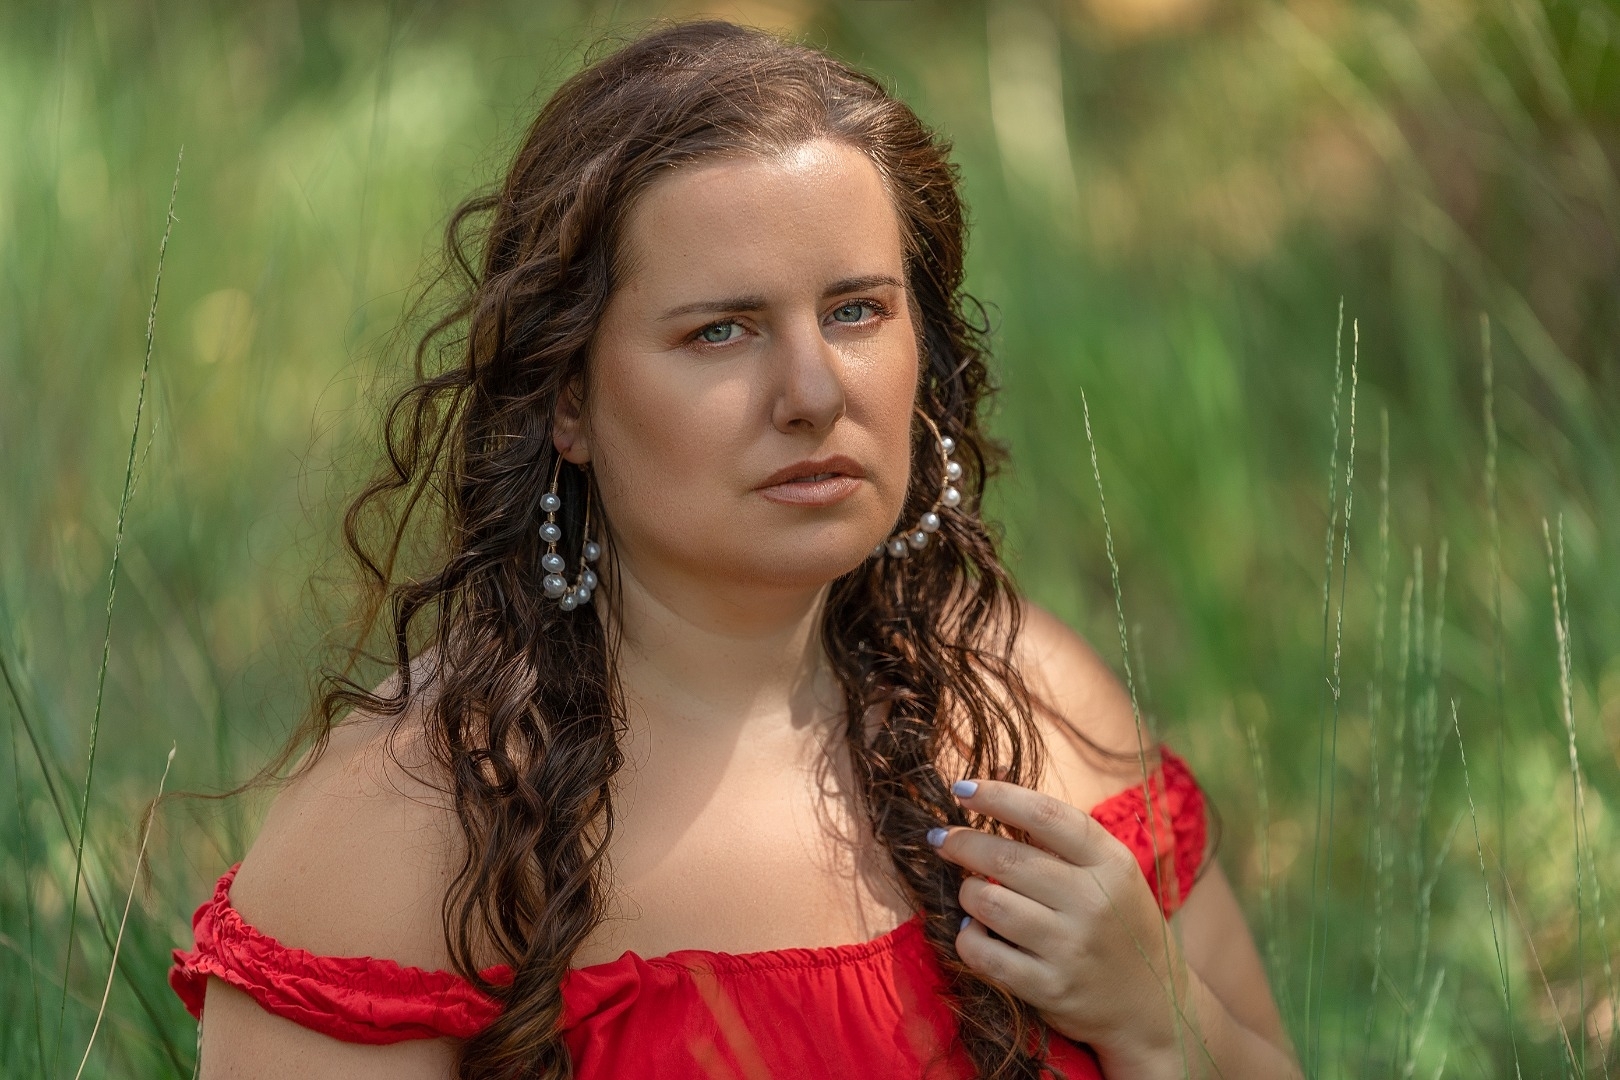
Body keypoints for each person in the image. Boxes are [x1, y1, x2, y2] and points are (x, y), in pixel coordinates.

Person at [170, 17, 1299, 1080]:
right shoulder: (407, 832)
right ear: (567, 397)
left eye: (856, 311)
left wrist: (1162, 1022)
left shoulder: (1033, 709)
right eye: (722, 331)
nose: (814, 393)